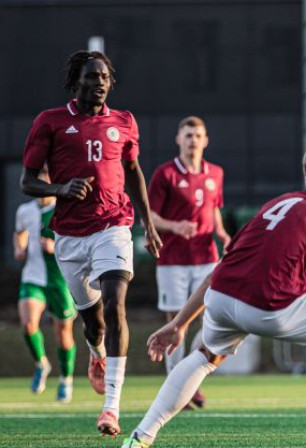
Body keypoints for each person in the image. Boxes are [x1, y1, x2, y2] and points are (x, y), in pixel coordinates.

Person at [121, 139, 306, 448]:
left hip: (220, 296)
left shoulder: (278, 203)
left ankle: (140, 437)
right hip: (270, 305)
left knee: (205, 356)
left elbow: (220, 267)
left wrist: (179, 323)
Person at [20, 50, 162, 436]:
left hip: (113, 225)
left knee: (116, 303)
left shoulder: (124, 122)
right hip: (69, 236)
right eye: (91, 77)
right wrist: (60, 188)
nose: (99, 82)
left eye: (104, 77)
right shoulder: (50, 122)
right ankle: (96, 354)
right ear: (75, 83)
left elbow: (132, 170)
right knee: (94, 324)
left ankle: (111, 409)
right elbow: (27, 181)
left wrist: (148, 223)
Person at [147, 116, 230, 409]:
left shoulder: (215, 173)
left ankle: (189, 379)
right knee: (175, 321)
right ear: (178, 139)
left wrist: (222, 233)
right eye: (188, 135)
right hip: (172, 261)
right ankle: (176, 385)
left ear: (206, 140)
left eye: (198, 135)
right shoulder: (165, 174)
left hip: (206, 259)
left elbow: (214, 210)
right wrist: (174, 226)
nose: (193, 140)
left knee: (211, 318)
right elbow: (151, 216)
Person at [14, 165, 77, 403]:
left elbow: (76, 244)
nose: (42, 183)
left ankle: (66, 379)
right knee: (29, 324)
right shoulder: (25, 210)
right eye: (39, 179)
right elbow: (19, 232)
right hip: (33, 276)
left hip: (59, 280)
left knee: (63, 332)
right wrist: (19, 248)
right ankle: (41, 363)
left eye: (47, 178)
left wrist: (55, 248)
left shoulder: (64, 210)